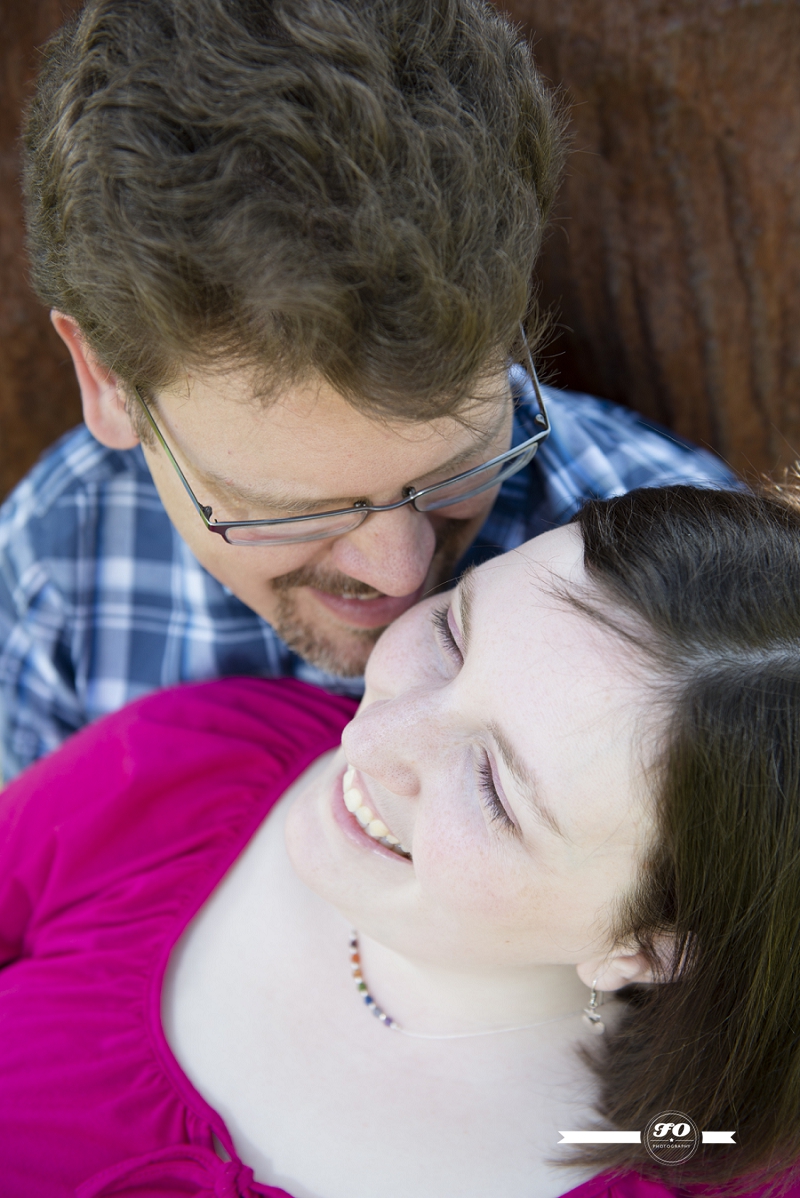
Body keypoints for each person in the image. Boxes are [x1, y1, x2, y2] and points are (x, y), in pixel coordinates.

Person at [0, 0, 736, 782]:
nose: (399, 569)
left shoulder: (687, 592)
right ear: (108, 383)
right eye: (295, 508)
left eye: (462, 461)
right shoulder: (58, 565)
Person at [2, 482, 800, 1198]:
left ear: (648, 946)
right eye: (453, 635)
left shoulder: (707, 1169)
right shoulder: (190, 758)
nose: (374, 734)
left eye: (493, 787)